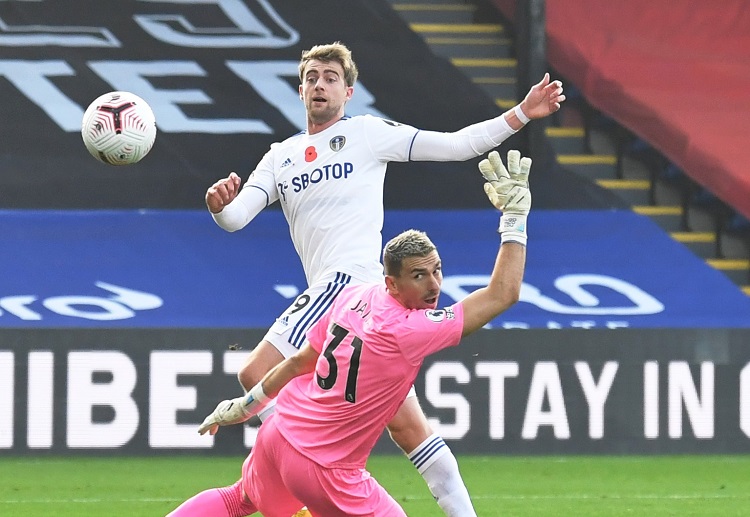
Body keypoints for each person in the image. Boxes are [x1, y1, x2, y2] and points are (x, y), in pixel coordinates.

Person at [200, 41, 563, 516]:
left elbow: (455, 145)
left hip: (350, 283)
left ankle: (293, 479)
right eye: (311, 77)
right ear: (301, 88)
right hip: (365, 306)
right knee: (409, 428)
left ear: (348, 92)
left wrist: (521, 114)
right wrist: (220, 205)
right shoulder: (281, 157)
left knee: (254, 371)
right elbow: (236, 219)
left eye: (330, 77)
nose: (319, 85)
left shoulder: (367, 134)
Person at [168, 148, 533, 516]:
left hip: (279, 435)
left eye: (437, 270)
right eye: (419, 276)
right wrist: (514, 220)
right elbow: (502, 294)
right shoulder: (409, 329)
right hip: (327, 469)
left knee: (239, 500)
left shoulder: (353, 296)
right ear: (391, 283)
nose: (434, 285)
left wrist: (245, 407)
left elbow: (298, 362)